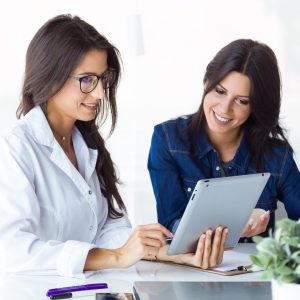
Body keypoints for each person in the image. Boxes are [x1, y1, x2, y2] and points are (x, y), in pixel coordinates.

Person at [0, 14, 226, 277]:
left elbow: (106, 226)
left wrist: (161, 251)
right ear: (51, 77)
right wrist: (116, 256)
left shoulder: (85, 142)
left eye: (103, 79)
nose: (99, 93)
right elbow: (11, 250)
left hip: (91, 289)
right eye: (86, 80)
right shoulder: (14, 149)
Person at [148, 39, 300, 245]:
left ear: (256, 106)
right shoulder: (168, 140)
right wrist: (226, 228)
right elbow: (168, 225)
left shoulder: (277, 157)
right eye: (220, 91)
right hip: (188, 270)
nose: (225, 109)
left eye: (242, 101)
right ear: (206, 82)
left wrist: (279, 235)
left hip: (253, 274)